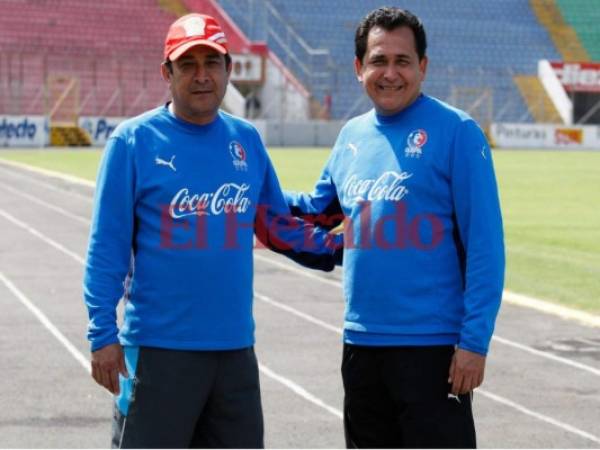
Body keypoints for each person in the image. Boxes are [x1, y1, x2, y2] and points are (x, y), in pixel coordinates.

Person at [83, 13, 340, 449]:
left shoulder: (247, 140)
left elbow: (276, 227)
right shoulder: (133, 142)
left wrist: (343, 244)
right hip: (158, 352)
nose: (201, 76)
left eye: (211, 63)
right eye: (187, 64)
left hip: (235, 353)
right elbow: (106, 248)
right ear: (167, 72)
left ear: (229, 69)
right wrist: (101, 333)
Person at [284, 7, 505, 448]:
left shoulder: (458, 132)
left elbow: (485, 246)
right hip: (361, 344)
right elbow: (318, 210)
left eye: (402, 61)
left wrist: (474, 343)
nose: (390, 73)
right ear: (358, 68)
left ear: (422, 66)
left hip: (434, 350)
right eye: (378, 61)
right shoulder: (350, 136)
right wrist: (256, 191)